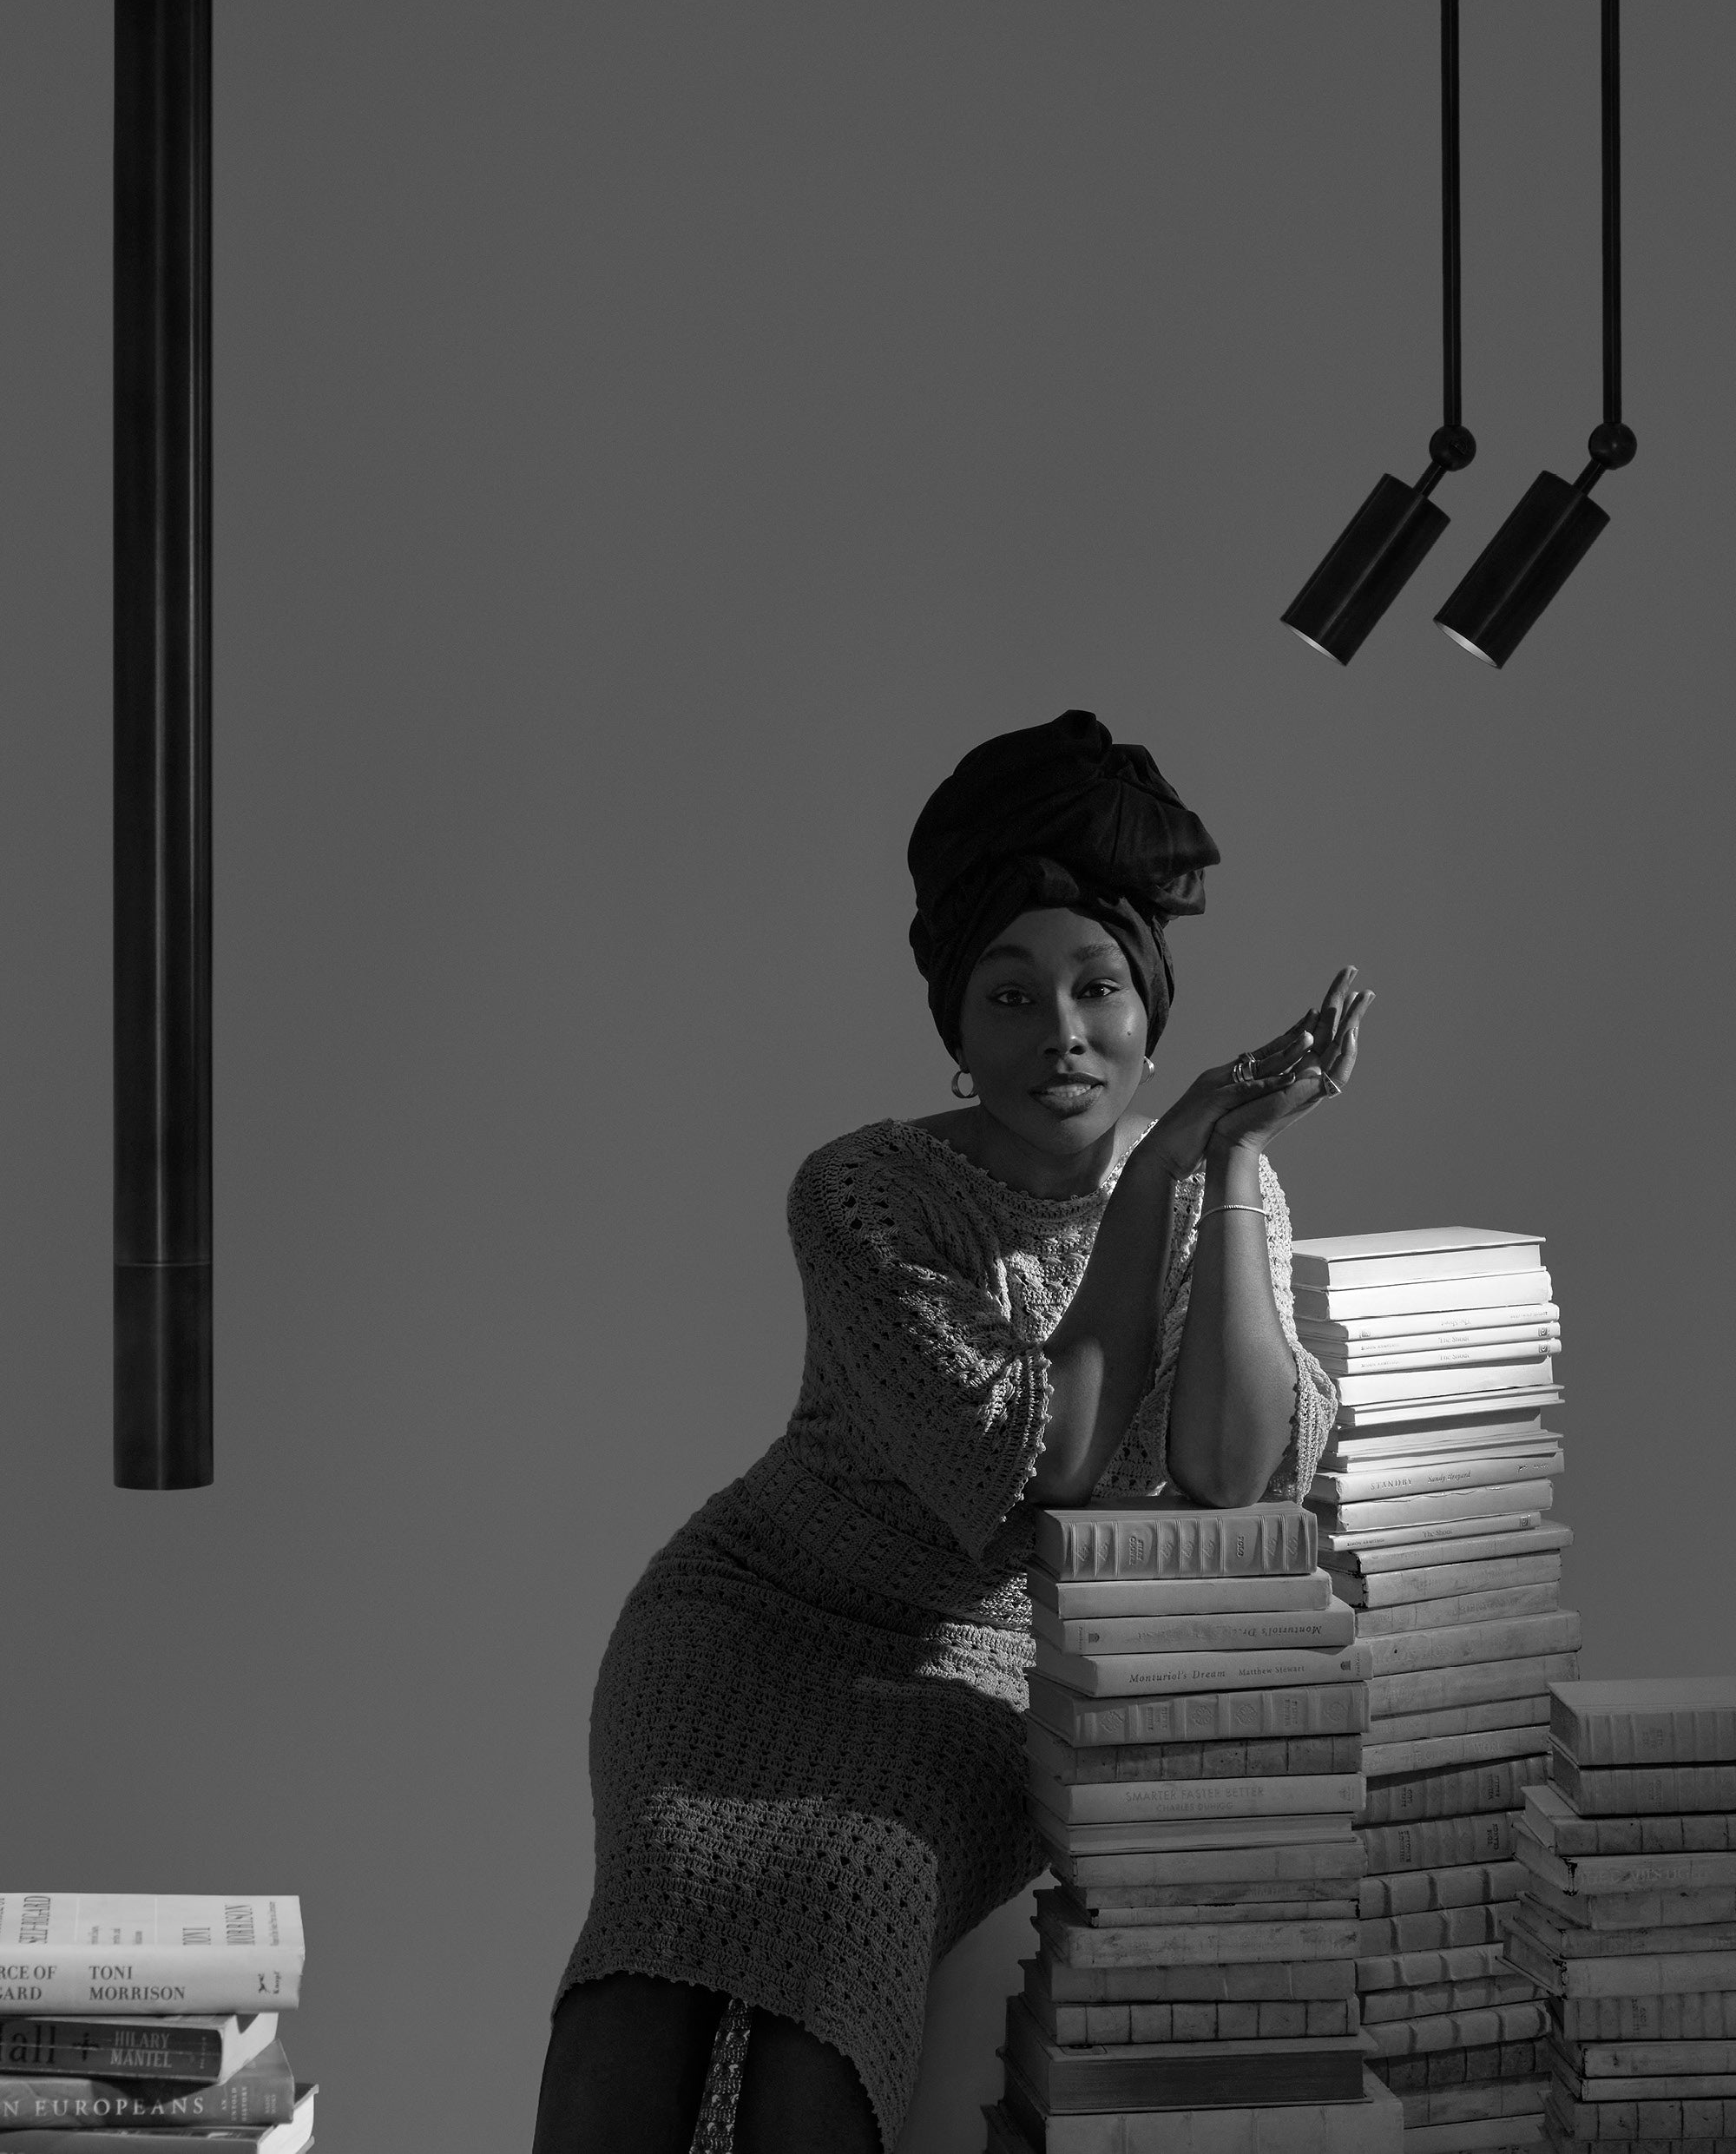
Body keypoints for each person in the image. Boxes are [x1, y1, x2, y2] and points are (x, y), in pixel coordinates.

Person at [530, 711, 1372, 2154]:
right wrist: (1161, 1165)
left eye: (1098, 987)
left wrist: (1224, 1160)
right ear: (958, 1030)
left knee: (842, 1942)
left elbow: (1234, 1467)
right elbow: (1033, 1459)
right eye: (1010, 995)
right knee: (647, 1968)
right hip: (748, 1623)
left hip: (976, 1671)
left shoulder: (1216, 1179)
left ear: (1149, 1002)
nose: (1062, 1034)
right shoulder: (863, 1197)